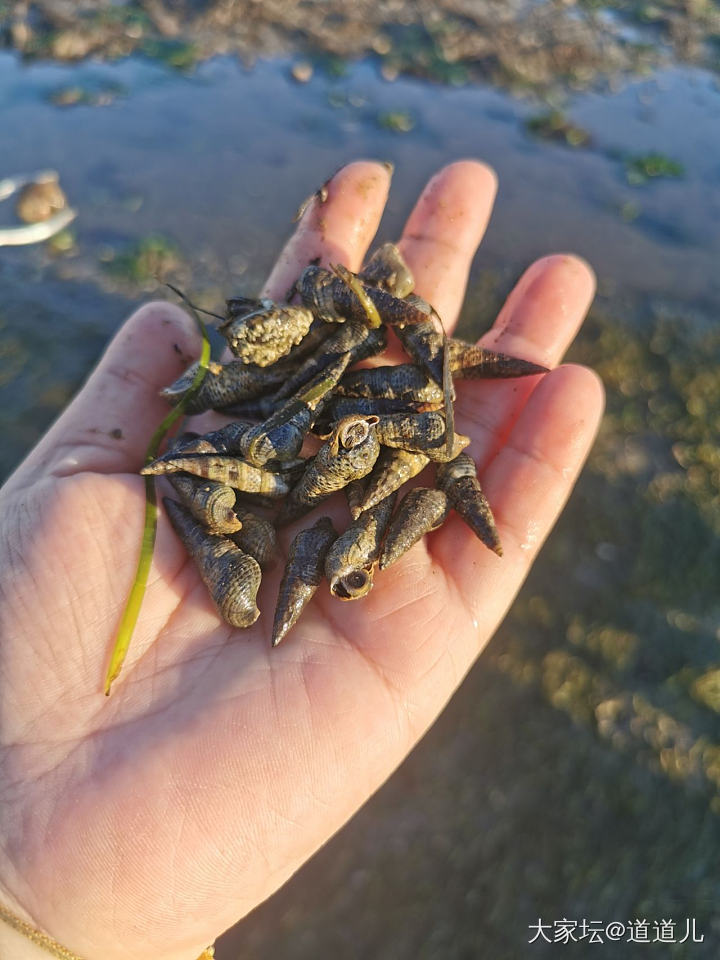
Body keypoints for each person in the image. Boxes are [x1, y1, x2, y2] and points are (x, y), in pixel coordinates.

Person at [0, 160, 604, 960]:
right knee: (250, 549)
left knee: (264, 531)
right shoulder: (295, 426)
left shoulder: (360, 418)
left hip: (309, 458)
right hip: (287, 461)